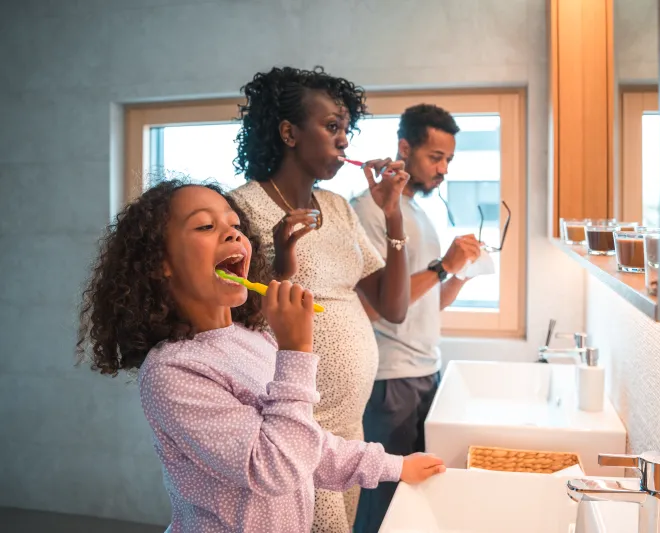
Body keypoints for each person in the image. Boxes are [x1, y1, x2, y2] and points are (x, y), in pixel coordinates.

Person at [76, 180, 444, 533]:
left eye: (235, 225)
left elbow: (305, 445)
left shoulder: (253, 338)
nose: (233, 233)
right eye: (205, 226)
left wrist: (395, 466)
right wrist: (296, 351)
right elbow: (274, 469)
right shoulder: (171, 370)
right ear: (161, 263)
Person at [228, 66, 412, 531]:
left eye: (346, 129)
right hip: (293, 425)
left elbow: (393, 308)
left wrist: (392, 217)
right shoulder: (240, 209)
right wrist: (281, 266)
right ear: (289, 132)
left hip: (348, 428)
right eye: (332, 127)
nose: (344, 141)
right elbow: (230, 312)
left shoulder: (337, 208)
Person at [351, 104, 483, 533]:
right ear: (404, 148)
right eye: (435, 157)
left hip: (426, 371)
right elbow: (380, 306)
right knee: (383, 503)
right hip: (390, 380)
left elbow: (425, 304)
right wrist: (443, 266)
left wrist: (460, 276)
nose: (443, 169)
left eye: (449, 160)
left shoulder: (420, 212)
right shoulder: (370, 211)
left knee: (413, 502)